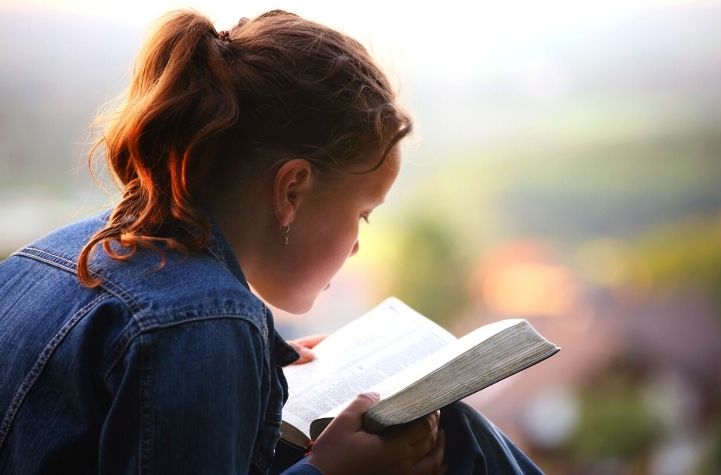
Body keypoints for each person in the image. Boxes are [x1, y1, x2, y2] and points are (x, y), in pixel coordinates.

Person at [0, 9, 543, 475]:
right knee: (449, 427)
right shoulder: (204, 323)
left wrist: (260, 372)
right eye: (363, 214)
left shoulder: (50, 255)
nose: (357, 246)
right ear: (292, 190)